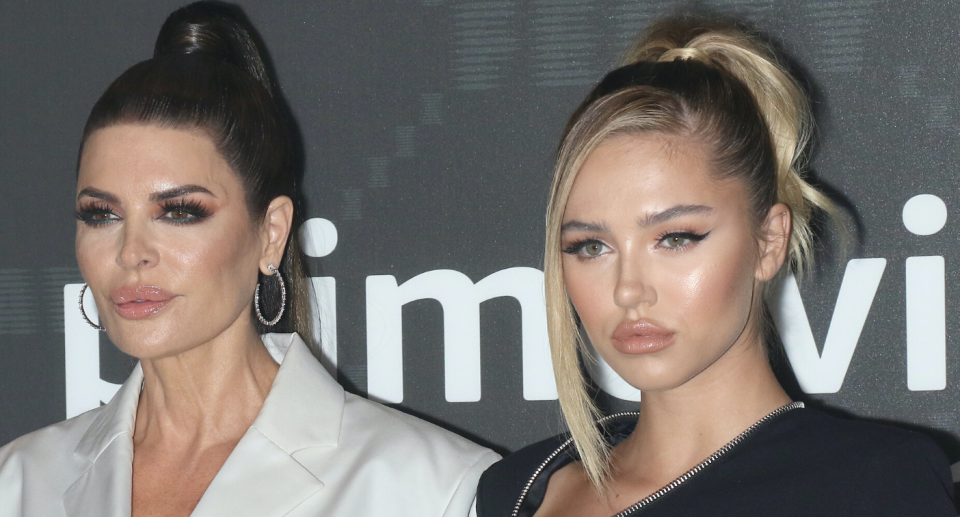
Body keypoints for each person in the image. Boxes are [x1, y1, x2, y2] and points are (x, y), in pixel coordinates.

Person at [0, 3, 498, 516]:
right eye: (102, 215)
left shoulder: (435, 488)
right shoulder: (18, 483)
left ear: (271, 234)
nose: (131, 253)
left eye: (179, 212)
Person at [476, 17, 955, 517]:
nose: (628, 291)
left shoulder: (869, 482)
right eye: (592, 247)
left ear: (769, 242)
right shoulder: (518, 487)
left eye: (675, 238)